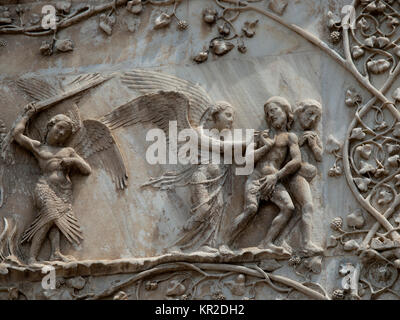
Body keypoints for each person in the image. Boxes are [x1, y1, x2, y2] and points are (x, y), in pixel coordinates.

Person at [13, 103, 91, 264]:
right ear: (50, 126)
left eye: (66, 132)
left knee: (55, 221)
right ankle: (32, 257)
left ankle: (55, 252)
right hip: (44, 188)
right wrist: (27, 115)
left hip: (63, 191)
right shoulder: (39, 147)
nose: (61, 133)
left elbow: (86, 169)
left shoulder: (69, 151)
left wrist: (73, 161)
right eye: (60, 128)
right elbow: (17, 135)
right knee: (51, 215)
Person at [230, 96, 302, 255]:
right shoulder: (262, 135)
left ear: (285, 111)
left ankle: (266, 242)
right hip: (256, 179)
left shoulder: (290, 137)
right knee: (250, 209)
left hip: (274, 181)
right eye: (268, 113)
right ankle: (226, 242)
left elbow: (297, 161)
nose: (271, 115)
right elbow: (248, 159)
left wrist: (276, 177)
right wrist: (265, 145)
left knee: (288, 207)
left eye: (274, 110)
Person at [287, 99, 324, 255]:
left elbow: (320, 157)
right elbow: (280, 158)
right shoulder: (289, 134)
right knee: (307, 206)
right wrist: (299, 143)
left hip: (305, 175)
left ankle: (280, 240)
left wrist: (313, 145)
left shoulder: (312, 135)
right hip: (295, 175)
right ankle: (306, 243)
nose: (312, 120)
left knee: (297, 211)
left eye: (316, 117)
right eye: (309, 114)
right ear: (298, 112)